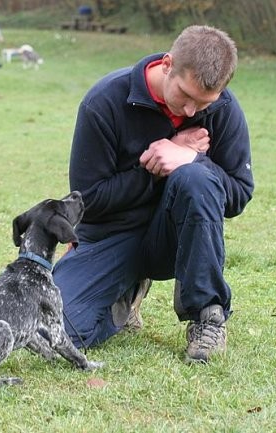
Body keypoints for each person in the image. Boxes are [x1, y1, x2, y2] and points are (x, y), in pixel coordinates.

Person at [53, 25, 254, 363]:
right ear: (167, 64)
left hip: (176, 238)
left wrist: (192, 159)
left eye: (203, 102)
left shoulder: (224, 110)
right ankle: (125, 296)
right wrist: (156, 166)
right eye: (185, 96)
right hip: (111, 235)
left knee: (196, 179)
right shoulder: (104, 102)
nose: (191, 111)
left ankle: (207, 316)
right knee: (59, 330)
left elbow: (239, 194)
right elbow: (89, 199)